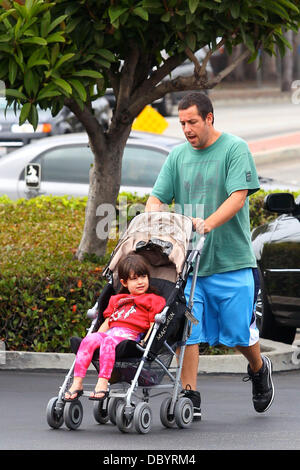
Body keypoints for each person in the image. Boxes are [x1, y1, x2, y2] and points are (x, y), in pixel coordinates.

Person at [145, 92, 274, 420]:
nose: (186, 129)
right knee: (187, 331)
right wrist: (154, 220)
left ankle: (259, 368)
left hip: (231, 261)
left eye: (192, 122)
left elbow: (238, 197)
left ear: (209, 118)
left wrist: (207, 224)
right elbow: (157, 199)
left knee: (237, 333)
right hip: (189, 266)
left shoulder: (234, 149)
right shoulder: (177, 157)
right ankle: (188, 396)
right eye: (182, 123)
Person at [64, 253, 166, 401]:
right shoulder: (117, 300)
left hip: (129, 337)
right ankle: (77, 383)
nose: (140, 282)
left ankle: (103, 383)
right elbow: (108, 321)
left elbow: (153, 324)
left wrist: (147, 341)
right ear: (124, 283)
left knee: (107, 342)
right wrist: (95, 337)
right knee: (88, 340)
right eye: (134, 278)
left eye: (143, 277)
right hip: (111, 332)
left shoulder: (153, 300)